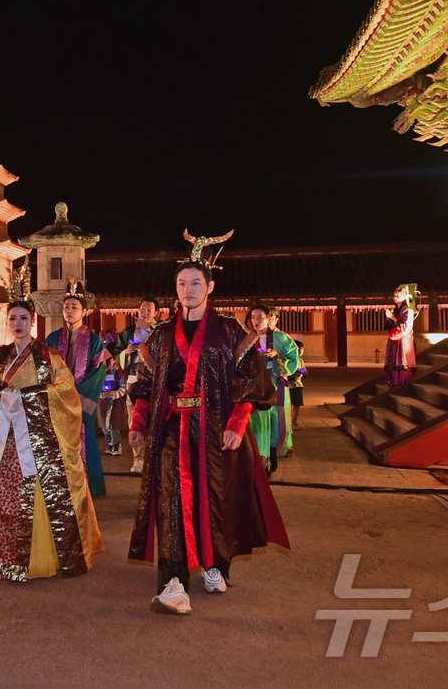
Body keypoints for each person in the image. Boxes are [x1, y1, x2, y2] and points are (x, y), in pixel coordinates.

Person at [127, 236, 289, 616]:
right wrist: (138, 421)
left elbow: (249, 382)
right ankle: (174, 582)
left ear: (210, 287)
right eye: (182, 283)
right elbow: (147, 382)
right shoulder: (163, 335)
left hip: (217, 432)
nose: (188, 290)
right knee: (172, 502)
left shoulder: (230, 331)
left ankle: (216, 564)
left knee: (217, 500)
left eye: (196, 283)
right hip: (171, 431)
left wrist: (237, 422)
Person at [0, 287, 104, 581]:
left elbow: (66, 393)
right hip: (1, 444)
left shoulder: (49, 357)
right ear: (7, 322)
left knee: (41, 500)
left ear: (32, 321)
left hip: (37, 444)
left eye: (23, 317)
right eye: (12, 318)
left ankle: (40, 558)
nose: (18, 323)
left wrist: (27, 399)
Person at [44, 280, 109, 498]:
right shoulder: (52, 339)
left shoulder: (94, 341)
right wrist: (56, 392)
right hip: (57, 401)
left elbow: (100, 371)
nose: (69, 311)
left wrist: (76, 394)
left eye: (74, 307)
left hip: (82, 402)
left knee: (85, 440)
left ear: (84, 311)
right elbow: (43, 369)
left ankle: (88, 488)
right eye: (66, 307)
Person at [246, 305, 301, 474]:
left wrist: (277, 355)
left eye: (260, 317)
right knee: (257, 422)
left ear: (269, 319)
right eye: (253, 317)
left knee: (276, 420)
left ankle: (272, 455)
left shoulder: (282, 339)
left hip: (276, 385)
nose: (256, 321)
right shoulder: (246, 339)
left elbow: (294, 360)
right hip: (255, 387)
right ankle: (258, 457)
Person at [113, 297, 160, 473]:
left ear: (155, 313)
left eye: (149, 310)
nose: (145, 312)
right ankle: (138, 459)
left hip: (155, 381)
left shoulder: (160, 331)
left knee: (156, 420)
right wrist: (126, 352)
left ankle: (156, 458)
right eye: (142, 309)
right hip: (134, 381)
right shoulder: (128, 333)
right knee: (135, 420)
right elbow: (117, 354)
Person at [384, 283, 418, 387]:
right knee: (393, 360)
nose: (396, 298)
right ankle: (393, 382)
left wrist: (393, 318)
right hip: (394, 338)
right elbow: (389, 326)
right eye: (395, 296)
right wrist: (389, 318)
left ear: (404, 297)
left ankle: (403, 382)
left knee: (402, 360)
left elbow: (406, 327)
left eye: (398, 296)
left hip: (403, 339)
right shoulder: (395, 310)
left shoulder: (408, 310)